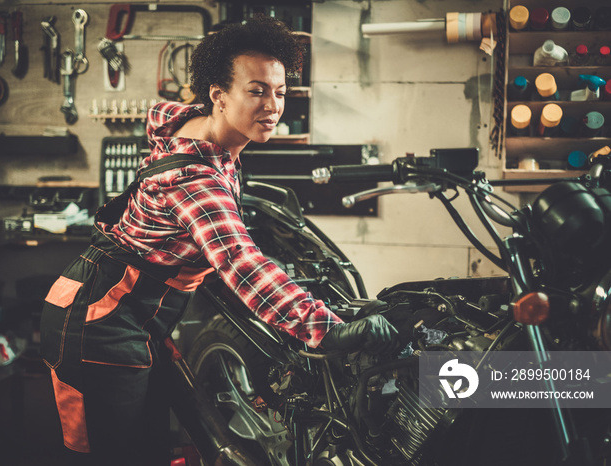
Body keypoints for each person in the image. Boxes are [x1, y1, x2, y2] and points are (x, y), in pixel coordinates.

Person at [40, 15, 398, 465]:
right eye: (257, 90)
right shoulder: (194, 179)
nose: (273, 105)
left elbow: (163, 115)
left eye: (280, 92)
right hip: (97, 321)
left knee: (153, 448)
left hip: (129, 314)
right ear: (219, 95)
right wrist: (326, 328)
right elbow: (241, 262)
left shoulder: (197, 127)